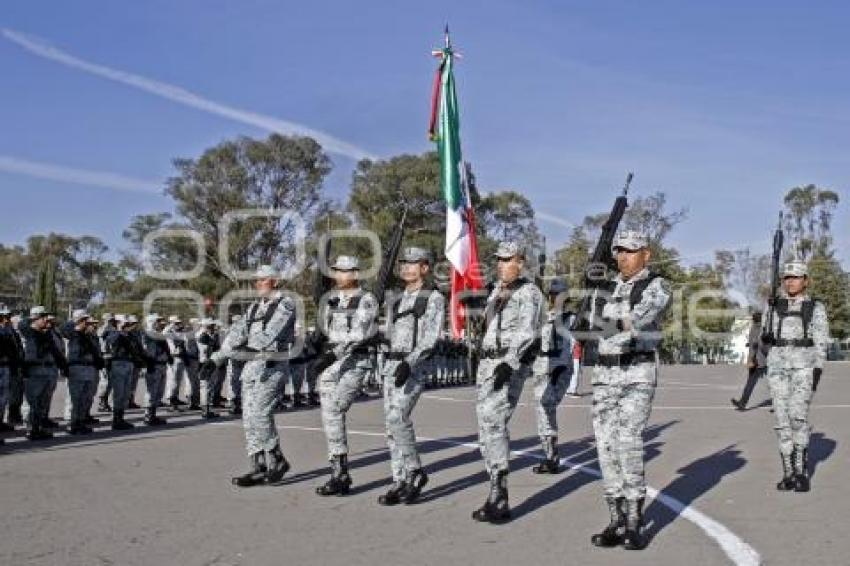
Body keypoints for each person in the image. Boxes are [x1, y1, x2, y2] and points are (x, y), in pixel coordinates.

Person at [588, 231, 671, 551]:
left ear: (645, 255)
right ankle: (616, 518)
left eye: (630, 251)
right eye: (619, 251)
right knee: (605, 447)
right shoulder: (607, 286)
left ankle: (635, 521)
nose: (623, 257)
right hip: (605, 373)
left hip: (636, 373)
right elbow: (586, 322)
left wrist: (601, 318)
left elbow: (637, 319)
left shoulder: (656, 286)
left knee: (628, 443)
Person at [472, 241, 544, 523]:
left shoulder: (529, 292)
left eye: (507, 259)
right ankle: (494, 488)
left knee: (494, 420)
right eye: (498, 260)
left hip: (507, 364)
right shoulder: (496, 292)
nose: (501, 264)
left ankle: (499, 494)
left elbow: (527, 333)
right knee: (485, 426)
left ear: (521, 262)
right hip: (488, 364)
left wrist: (509, 363)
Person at [212, 265, 297, 487]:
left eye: (263, 280)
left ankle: (277, 459)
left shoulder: (285, 304)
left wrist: (250, 350)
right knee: (249, 417)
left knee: (260, 413)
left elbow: (272, 333)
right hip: (252, 368)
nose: (258, 283)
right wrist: (216, 358)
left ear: (275, 281)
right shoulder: (253, 309)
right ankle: (258, 466)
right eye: (256, 280)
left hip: (272, 366)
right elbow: (235, 335)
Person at [377, 247, 444, 506]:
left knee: (397, 417)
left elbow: (429, 339)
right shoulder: (396, 298)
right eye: (403, 262)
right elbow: (391, 333)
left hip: (413, 368)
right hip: (390, 366)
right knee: (391, 427)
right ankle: (400, 479)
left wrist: (410, 362)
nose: (406, 267)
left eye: (413, 263)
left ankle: (415, 472)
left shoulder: (432, 298)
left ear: (425, 268)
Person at [313, 255, 379, 496]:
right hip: (333, 364)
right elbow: (327, 331)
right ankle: (339, 471)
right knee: (329, 413)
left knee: (334, 409)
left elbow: (360, 333)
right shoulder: (333, 299)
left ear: (355, 274)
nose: (338, 275)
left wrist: (333, 354)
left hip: (356, 362)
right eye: (336, 271)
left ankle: (340, 472)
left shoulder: (366, 299)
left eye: (344, 271)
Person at [762, 261, 829, 493]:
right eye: (787, 277)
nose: (790, 281)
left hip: (803, 367)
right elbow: (764, 337)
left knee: (798, 419)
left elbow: (821, 340)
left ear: (805, 280)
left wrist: (817, 369)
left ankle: (802, 473)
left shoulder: (815, 307)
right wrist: (765, 338)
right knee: (781, 422)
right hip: (777, 368)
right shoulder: (772, 305)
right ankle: (788, 474)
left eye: (796, 277)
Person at [530, 278, 572, 474]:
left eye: (560, 294)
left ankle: (552, 456)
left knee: (546, 408)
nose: (557, 298)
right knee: (543, 411)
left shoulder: (572, 319)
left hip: (560, 368)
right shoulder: (542, 318)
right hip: (541, 369)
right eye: (554, 294)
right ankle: (550, 456)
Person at [19, 306, 67, 440]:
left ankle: (38, 428)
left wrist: (64, 366)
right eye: (43, 317)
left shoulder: (46, 335)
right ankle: (31, 429)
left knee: (43, 402)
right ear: (35, 319)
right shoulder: (29, 332)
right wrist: (33, 318)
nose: (46, 320)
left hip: (46, 371)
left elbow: (56, 352)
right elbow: (22, 324)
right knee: (33, 402)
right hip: (34, 371)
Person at [62, 310, 103, 435]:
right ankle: (74, 424)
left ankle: (80, 422)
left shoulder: (87, 336)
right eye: (85, 320)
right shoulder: (73, 333)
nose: (88, 323)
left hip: (88, 368)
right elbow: (64, 329)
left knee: (85, 397)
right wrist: (76, 322)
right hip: (77, 367)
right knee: (76, 398)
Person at [105, 315, 144, 430]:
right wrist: (119, 330)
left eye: (127, 324)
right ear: (118, 323)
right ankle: (116, 420)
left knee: (126, 393)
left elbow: (137, 348)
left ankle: (121, 417)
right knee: (119, 392)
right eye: (124, 324)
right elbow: (111, 341)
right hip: (118, 363)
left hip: (129, 364)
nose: (127, 326)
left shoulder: (131, 335)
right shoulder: (113, 333)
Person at [731, 312, 768, 410]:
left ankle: (742, 403)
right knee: (751, 383)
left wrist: (752, 357)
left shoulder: (759, 329)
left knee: (751, 383)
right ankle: (742, 403)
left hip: (760, 360)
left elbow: (760, 345)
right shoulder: (760, 328)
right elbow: (755, 343)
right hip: (759, 360)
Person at [142, 314, 171, 426]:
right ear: (152, 322)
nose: (161, 323)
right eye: (158, 321)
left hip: (162, 365)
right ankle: (148, 416)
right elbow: (148, 351)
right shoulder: (148, 334)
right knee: (151, 391)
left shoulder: (158, 334)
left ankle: (153, 415)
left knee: (158, 392)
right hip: (153, 365)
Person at [0, 305, 21, 436]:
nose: (7, 320)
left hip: (6, 367)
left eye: (8, 317)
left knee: (4, 398)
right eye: (3, 317)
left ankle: (0, 421)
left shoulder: (9, 332)